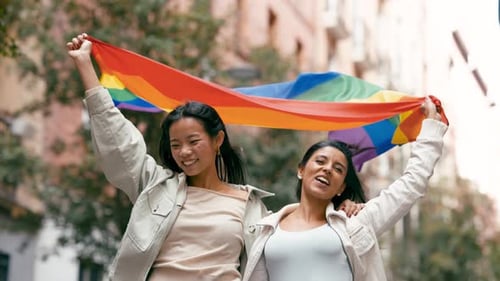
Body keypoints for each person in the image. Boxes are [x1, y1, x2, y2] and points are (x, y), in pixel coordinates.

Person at [66, 33, 364, 281]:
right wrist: (86, 68)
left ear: (217, 140)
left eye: (193, 141)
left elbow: (296, 242)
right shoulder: (156, 186)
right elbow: (118, 140)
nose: (184, 152)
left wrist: (342, 210)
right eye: (176, 144)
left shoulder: (252, 208)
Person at [242, 97, 448, 281]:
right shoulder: (267, 227)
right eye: (320, 161)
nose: (327, 169)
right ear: (301, 170)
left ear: (341, 187)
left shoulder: (355, 223)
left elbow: (411, 184)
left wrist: (430, 129)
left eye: (338, 168)